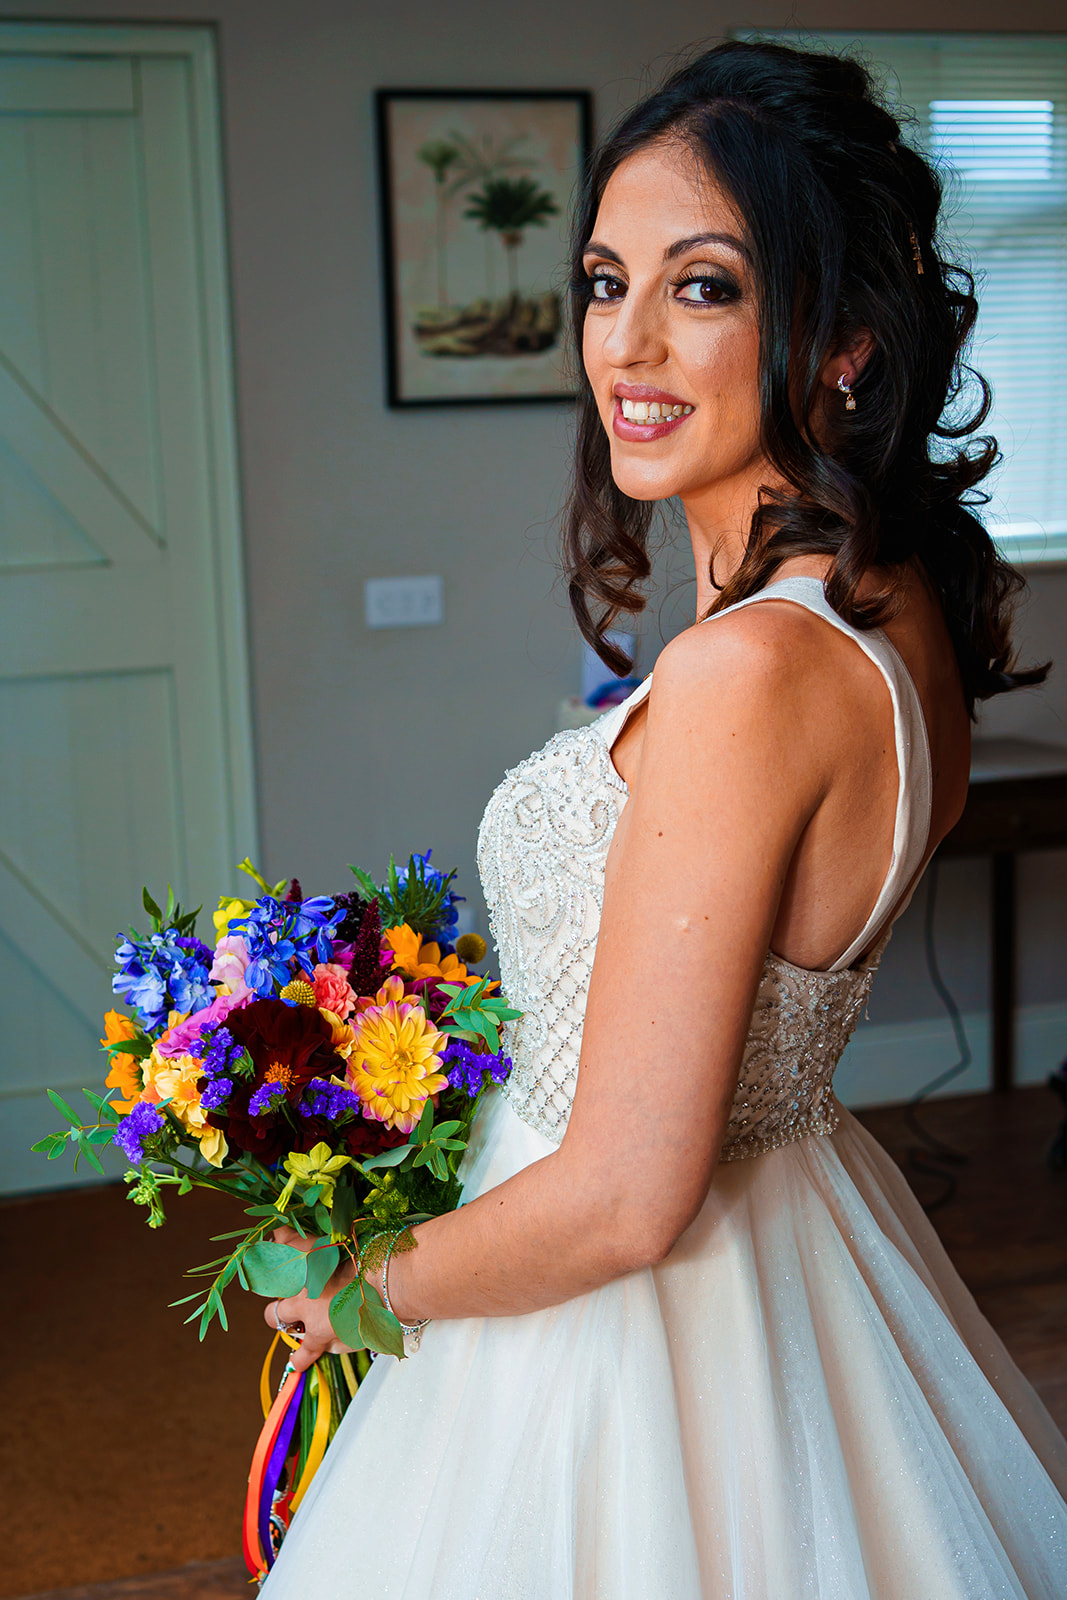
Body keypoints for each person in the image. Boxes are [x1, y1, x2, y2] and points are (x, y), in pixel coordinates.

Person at [261, 39, 1067, 1597]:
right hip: (794, 1245)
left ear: (842, 339)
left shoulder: (751, 671)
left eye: (701, 287)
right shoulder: (891, 611)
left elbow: (631, 1193)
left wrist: (361, 1288)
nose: (625, 343)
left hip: (628, 1343)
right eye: (602, 282)